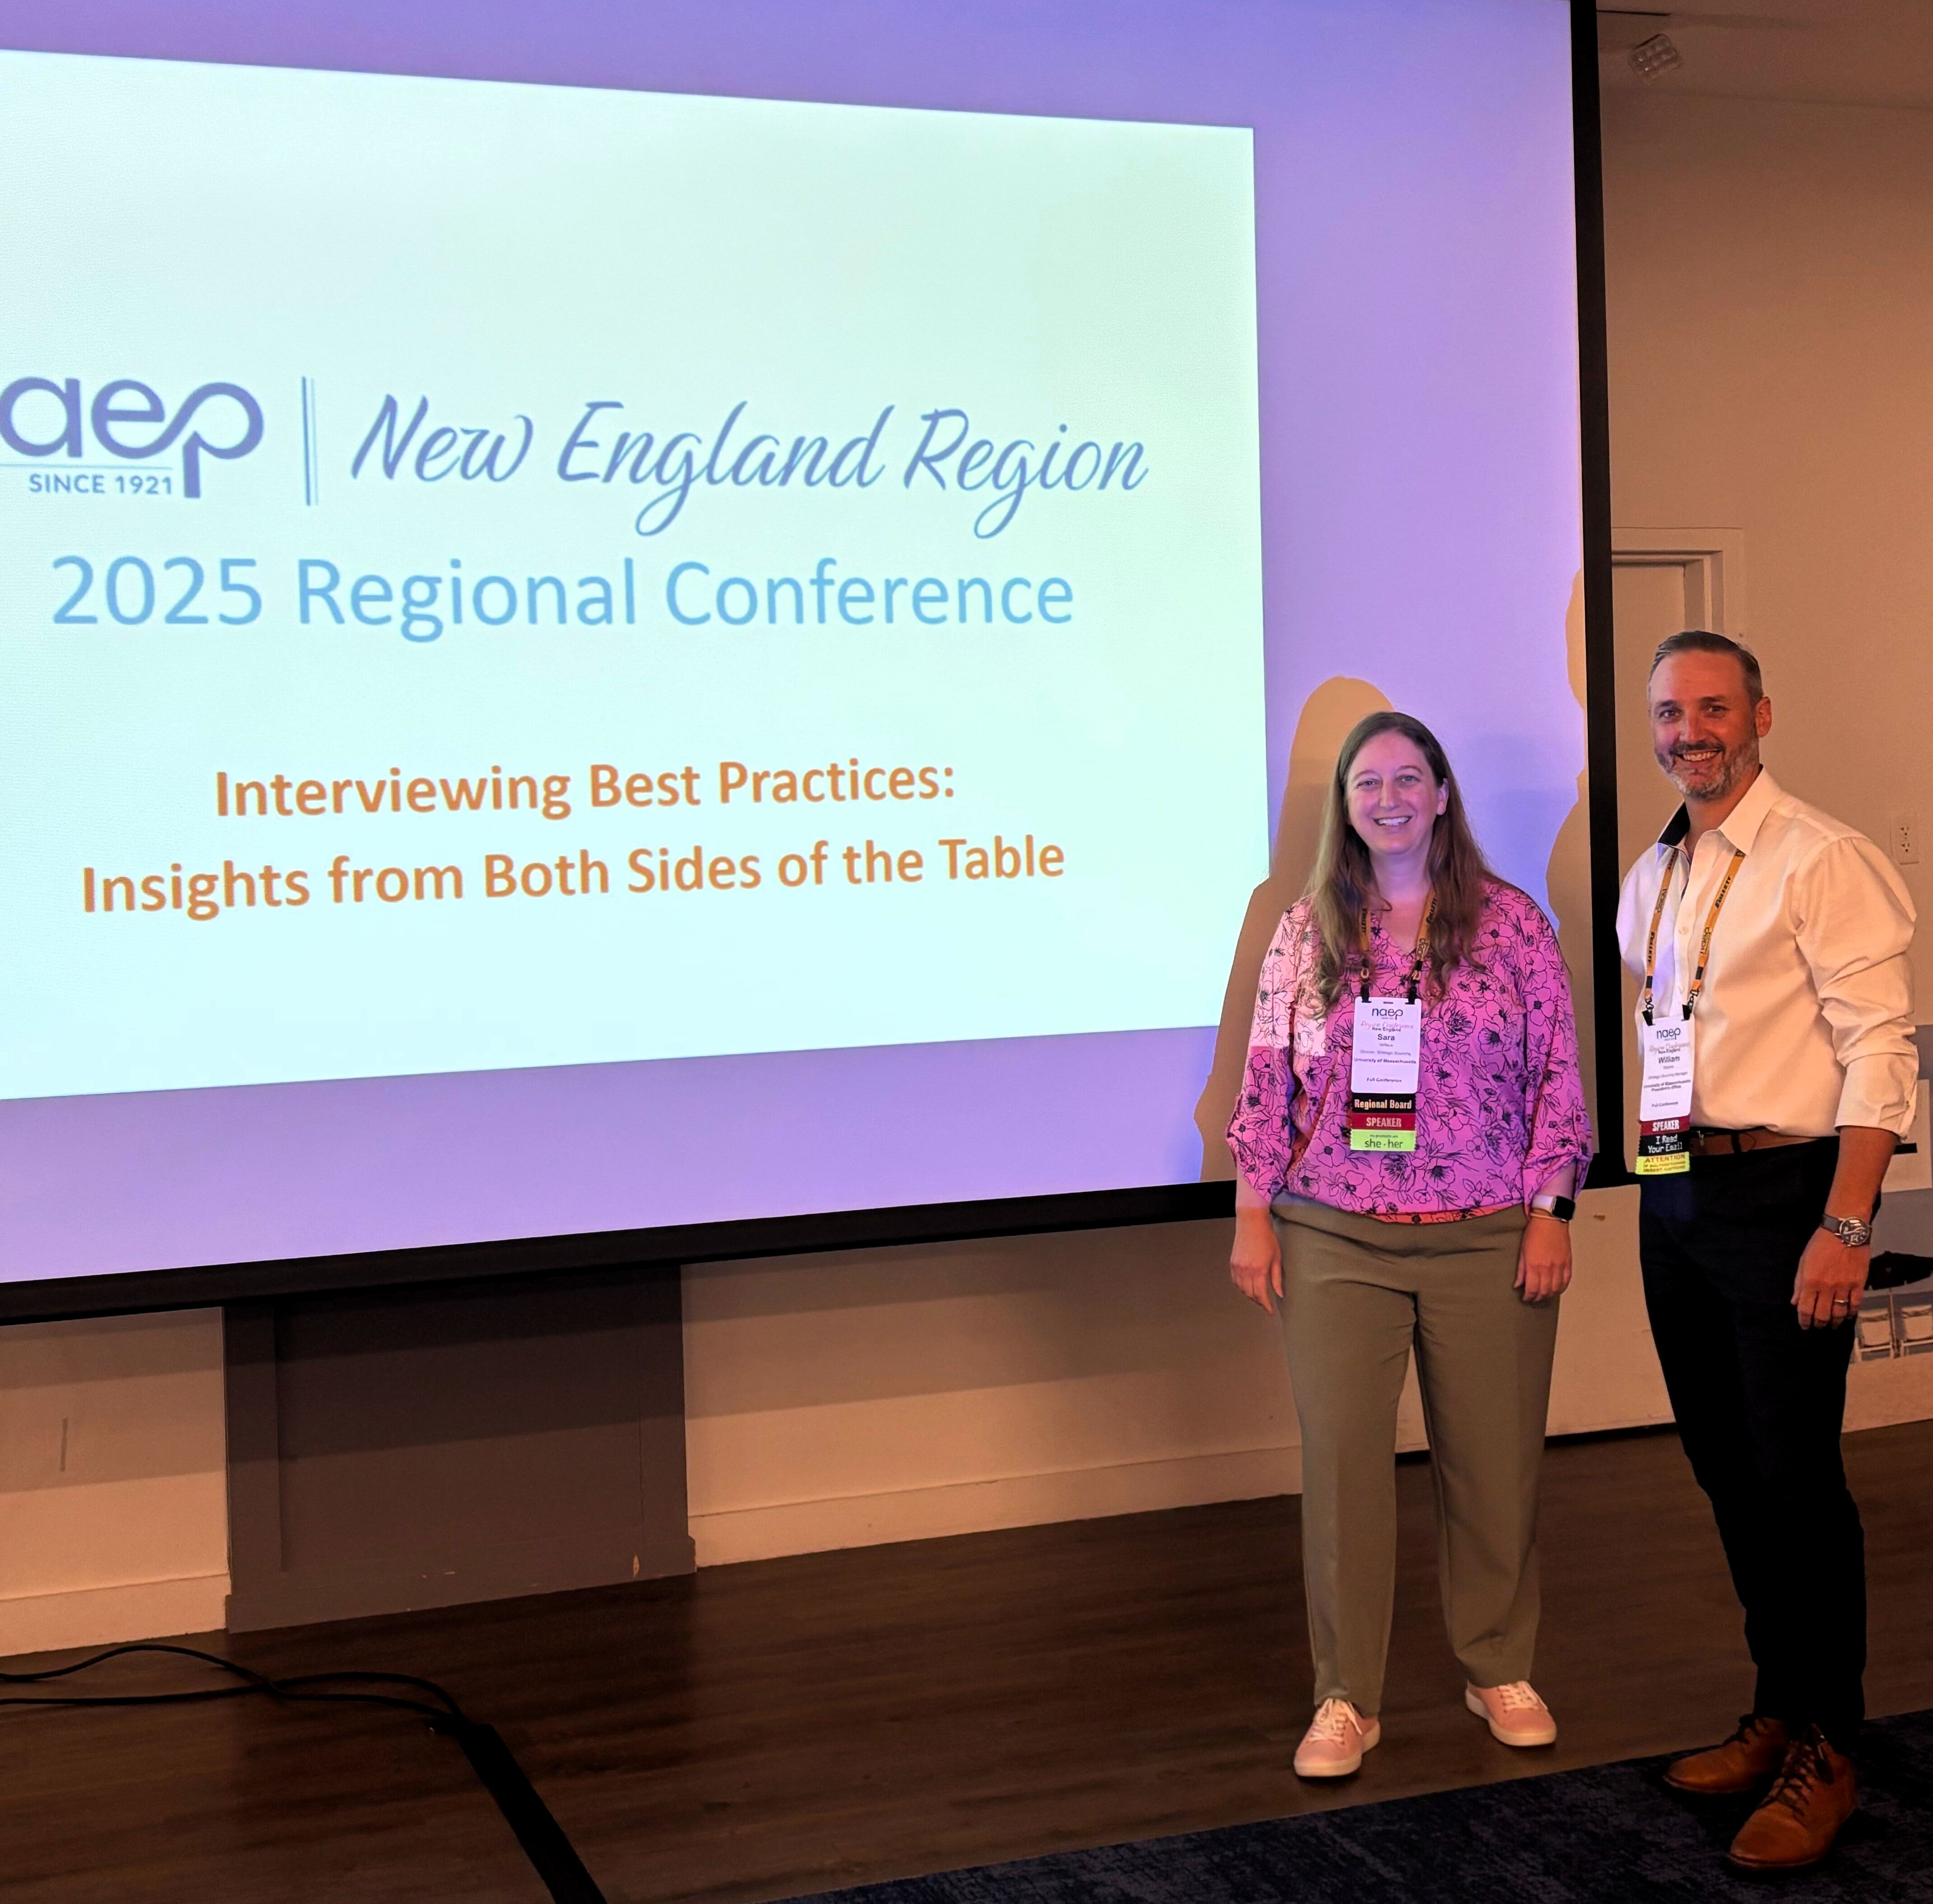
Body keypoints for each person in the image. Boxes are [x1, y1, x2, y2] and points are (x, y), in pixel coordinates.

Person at [1227, 710, 1593, 1779]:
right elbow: (1268, 1077)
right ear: (1347, 806)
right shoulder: (1307, 931)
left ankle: (1497, 1666)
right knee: (1343, 1464)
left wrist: (1550, 1213)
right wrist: (1253, 1212)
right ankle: (1347, 1697)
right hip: (1334, 1233)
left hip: (1489, 1237)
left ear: (1441, 793)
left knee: (1493, 1464)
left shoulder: (1514, 925)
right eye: (1365, 783)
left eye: (1406, 778)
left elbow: (1557, 1079)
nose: (1386, 798)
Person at [1618, 630, 1915, 1872]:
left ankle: (1830, 1748)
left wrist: (1844, 1225)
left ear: (1760, 716)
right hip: (1677, 1193)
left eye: (1711, 707)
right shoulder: (1657, 871)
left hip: (1791, 1200)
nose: (1688, 729)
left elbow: (1879, 1054)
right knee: (1725, 1468)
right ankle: (1777, 1706)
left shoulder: (1821, 858)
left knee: (1796, 1478)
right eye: (1667, 712)